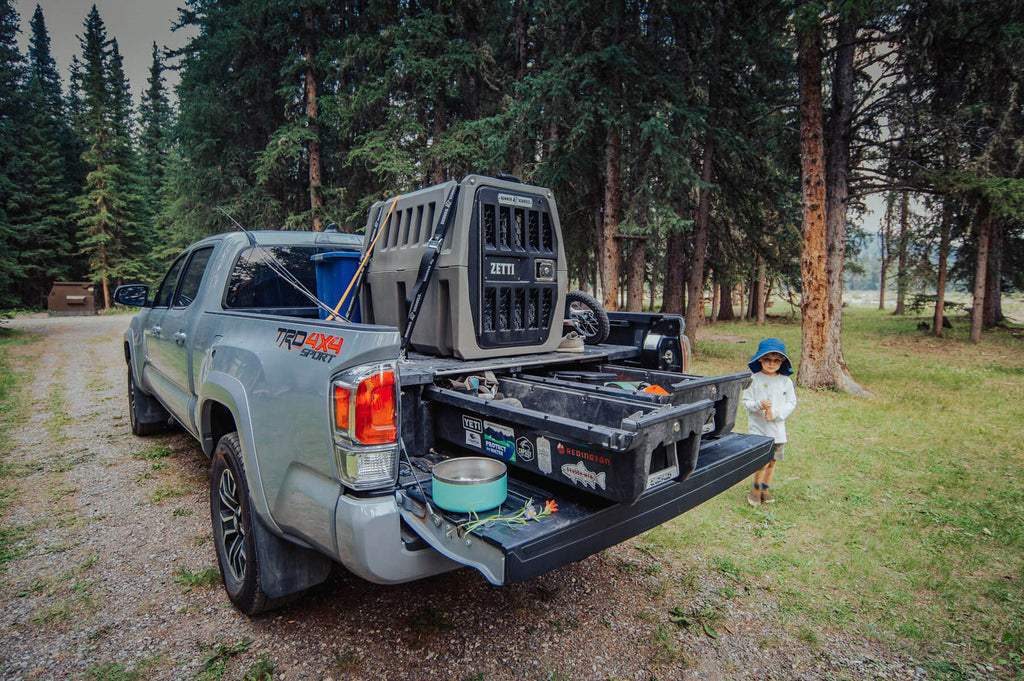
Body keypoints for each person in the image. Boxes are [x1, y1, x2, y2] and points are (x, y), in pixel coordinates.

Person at [741, 338, 797, 506]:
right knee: (761, 462)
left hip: (777, 430)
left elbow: (791, 403)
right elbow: (746, 402)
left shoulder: (785, 381)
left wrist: (776, 414)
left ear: (782, 362)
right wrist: (759, 405)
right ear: (760, 359)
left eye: (776, 360)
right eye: (767, 359)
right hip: (759, 430)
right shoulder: (754, 379)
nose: (771, 364)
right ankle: (755, 489)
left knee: (772, 461)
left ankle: (765, 488)